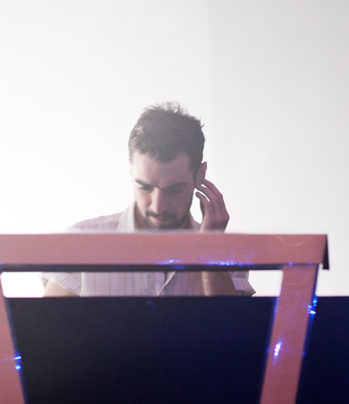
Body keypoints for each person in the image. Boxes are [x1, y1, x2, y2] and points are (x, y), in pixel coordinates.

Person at [42, 103, 254, 297]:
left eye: (174, 189)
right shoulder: (79, 244)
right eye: (144, 187)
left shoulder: (226, 254)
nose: (158, 206)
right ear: (131, 169)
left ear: (200, 174)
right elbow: (47, 327)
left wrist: (210, 248)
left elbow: (233, 327)